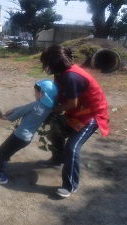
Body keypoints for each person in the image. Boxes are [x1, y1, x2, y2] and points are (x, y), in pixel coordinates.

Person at [38, 45, 109, 198]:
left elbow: (71, 104)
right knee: (56, 132)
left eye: (46, 64)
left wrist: (52, 110)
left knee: (72, 147)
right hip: (77, 112)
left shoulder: (71, 76)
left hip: (91, 114)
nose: (45, 67)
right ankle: (57, 159)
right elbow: (59, 95)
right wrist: (47, 106)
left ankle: (70, 185)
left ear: (54, 63)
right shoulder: (59, 74)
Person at [0, 79, 58, 184]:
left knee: (1, 152)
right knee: (5, 152)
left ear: (42, 93)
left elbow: (14, 116)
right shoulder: (47, 108)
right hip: (26, 138)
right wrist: (12, 110)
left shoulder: (35, 105)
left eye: (35, 92)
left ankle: (1, 176)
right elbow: (24, 108)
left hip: (20, 136)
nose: (34, 94)